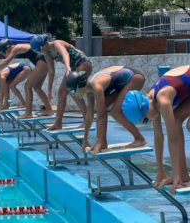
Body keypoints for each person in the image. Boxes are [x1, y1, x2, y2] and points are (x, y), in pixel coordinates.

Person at [121, 65, 190, 193]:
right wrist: (160, 171)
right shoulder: (151, 100)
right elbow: (159, 137)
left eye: (146, 120)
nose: (150, 121)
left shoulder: (162, 99)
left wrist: (174, 176)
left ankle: (179, 174)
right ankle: (183, 174)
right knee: (176, 120)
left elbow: (172, 139)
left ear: (144, 108)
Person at [66, 66, 147, 154]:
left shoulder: (97, 86)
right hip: (120, 83)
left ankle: (139, 139)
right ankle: (103, 142)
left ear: (80, 86)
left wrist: (98, 142)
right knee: (103, 108)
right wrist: (85, 139)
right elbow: (89, 115)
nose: (74, 95)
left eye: (73, 91)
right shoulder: (89, 92)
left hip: (134, 78)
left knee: (115, 112)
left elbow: (101, 115)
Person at [0, 38, 53, 117]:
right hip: (44, 62)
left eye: (4, 53)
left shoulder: (16, 48)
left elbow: (6, 62)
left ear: (7, 48)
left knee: (27, 86)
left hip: (42, 62)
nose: (5, 55)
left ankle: (28, 113)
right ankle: (49, 110)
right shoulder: (16, 48)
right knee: (37, 88)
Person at [41, 39, 92, 130]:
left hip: (83, 63)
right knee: (61, 93)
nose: (39, 51)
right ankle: (58, 123)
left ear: (44, 45)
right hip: (73, 68)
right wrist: (49, 90)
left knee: (73, 91)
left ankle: (86, 120)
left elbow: (65, 54)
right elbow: (51, 71)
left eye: (39, 48)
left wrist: (67, 67)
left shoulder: (56, 43)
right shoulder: (47, 54)